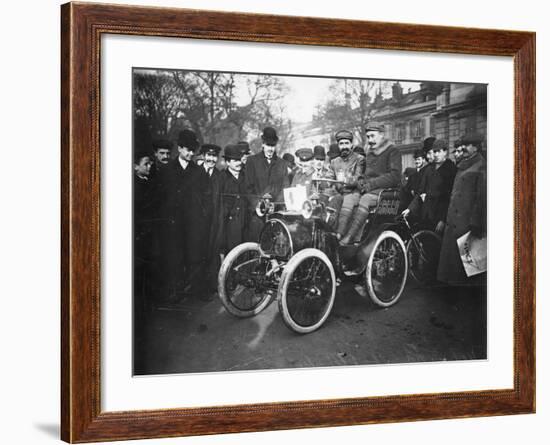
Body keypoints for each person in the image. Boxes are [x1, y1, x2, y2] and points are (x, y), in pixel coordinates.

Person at [158, 129, 212, 301]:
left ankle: (195, 290)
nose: (190, 153)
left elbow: (206, 197)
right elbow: (160, 198)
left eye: (193, 150)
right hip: (173, 224)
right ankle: (174, 290)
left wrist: (202, 219)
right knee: (174, 257)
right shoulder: (167, 170)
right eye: (187, 149)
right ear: (179, 148)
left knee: (195, 256)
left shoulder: (199, 172)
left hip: (194, 223)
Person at [340, 122, 401, 244]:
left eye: (372, 136)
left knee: (365, 199)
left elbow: (395, 176)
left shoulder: (392, 150)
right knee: (348, 198)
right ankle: (339, 233)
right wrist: (361, 181)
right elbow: (365, 174)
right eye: (368, 137)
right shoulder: (370, 153)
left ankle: (351, 237)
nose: (370, 140)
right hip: (370, 190)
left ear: (382, 135)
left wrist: (371, 184)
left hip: (387, 193)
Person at [437, 133, 486, 285]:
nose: (464, 148)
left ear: (476, 148)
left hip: (466, 223)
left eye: (468, 145)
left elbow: (481, 197)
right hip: (454, 221)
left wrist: (476, 222)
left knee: (467, 268)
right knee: (452, 267)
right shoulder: (464, 165)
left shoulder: (481, 166)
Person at [244, 127, 290, 241]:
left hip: (276, 214)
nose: (270, 149)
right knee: (256, 245)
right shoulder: (252, 161)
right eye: (268, 145)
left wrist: (276, 204)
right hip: (257, 215)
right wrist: (258, 204)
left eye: (273, 146)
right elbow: (248, 187)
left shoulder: (282, 164)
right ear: (263, 144)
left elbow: (285, 188)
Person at [402, 139, 457, 232]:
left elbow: (449, 198)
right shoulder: (428, 169)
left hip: (439, 217)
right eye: (434, 151)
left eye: (439, 151)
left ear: (445, 152)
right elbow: (420, 192)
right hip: (425, 215)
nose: (436, 154)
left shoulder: (451, 169)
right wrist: (410, 209)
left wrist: (443, 220)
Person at [330, 129, 366, 240]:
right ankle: (327, 230)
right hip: (340, 193)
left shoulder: (359, 159)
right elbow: (329, 178)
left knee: (347, 199)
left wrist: (344, 179)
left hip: (354, 193)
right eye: (341, 144)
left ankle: (339, 234)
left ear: (351, 144)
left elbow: (358, 178)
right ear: (338, 145)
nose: (344, 146)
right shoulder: (334, 162)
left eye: (346, 143)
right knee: (328, 199)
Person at [201, 143, 224, 298]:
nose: (211, 159)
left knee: (212, 253)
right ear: (203, 156)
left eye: (214, 156)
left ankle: (211, 286)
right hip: (198, 222)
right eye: (208, 156)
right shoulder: (196, 173)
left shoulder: (218, 176)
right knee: (199, 254)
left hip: (213, 221)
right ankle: (199, 289)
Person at [220, 144, 249, 254]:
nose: (238, 163)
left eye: (239, 159)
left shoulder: (246, 176)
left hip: (246, 225)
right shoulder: (222, 178)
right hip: (229, 227)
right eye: (234, 160)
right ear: (227, 162)